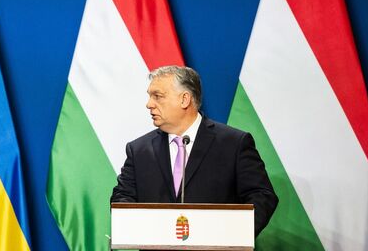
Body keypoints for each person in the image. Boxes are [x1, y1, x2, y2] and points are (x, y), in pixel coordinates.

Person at [111, 66, 278, 235]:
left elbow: (262, 196)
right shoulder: (139, 150)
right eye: (149, 96)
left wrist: (233, 235)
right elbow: (121, 199)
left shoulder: (234, 143)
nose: (149, 104)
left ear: (185, 99)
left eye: (157, 96)